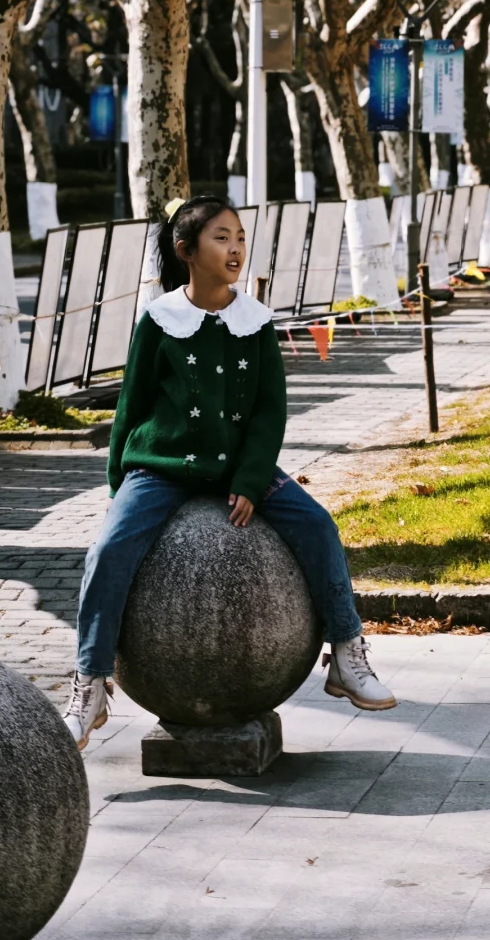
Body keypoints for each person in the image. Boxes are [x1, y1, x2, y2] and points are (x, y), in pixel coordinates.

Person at [63, 196, 395, 750]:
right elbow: (132, 406)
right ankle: (91, 682)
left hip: (240, 468)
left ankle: (347, 653)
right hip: (161, 468)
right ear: (186, 251)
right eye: (220, 238)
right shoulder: (159, 319)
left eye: (239, 236)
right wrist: (120, 488)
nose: (235, 247)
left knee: (318, 525)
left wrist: (249, 479)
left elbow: (270, 411)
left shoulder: (257, 321)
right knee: (108, 550)